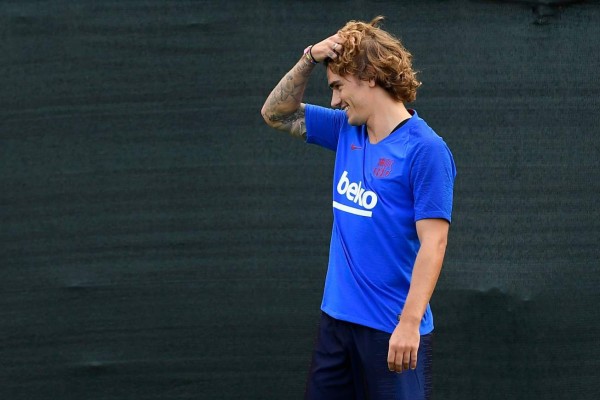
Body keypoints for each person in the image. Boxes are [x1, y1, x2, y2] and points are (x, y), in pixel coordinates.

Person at [261, 16, 456, 400]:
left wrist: (409, 324)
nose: (333, 100)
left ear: (368, 75)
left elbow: (434, 243)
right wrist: (309, 58)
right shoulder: (346, 128)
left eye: (337, 86)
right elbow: (275, 113)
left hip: (392, 332)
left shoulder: (425, 150)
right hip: (335, 324)